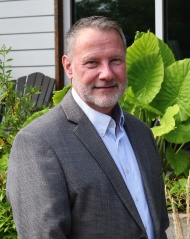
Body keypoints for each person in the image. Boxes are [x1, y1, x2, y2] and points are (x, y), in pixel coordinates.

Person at [6, 16, 169, 239]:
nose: (107, 73)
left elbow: (157, 225)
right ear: (68, 67)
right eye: (92, 62)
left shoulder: (142, 134)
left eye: (115, 60)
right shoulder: (39, 142)